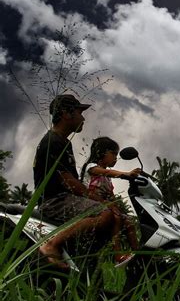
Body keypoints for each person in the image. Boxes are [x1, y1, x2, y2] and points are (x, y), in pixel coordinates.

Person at [34, 94, 116, 269]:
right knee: (104, 213)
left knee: (113, 220)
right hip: (54, 201)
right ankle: (52, 245)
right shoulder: (53, 141)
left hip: (64, 199)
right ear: (66, 113)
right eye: (79, 112)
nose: (83, 118)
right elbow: (69, 182)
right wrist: (101, 201)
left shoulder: (63, 142)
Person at [80, 136, 141, 263]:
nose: (115, 158)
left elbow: (110, 195)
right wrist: (125, 174)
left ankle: (138, 253)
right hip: (90, 202)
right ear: (102, 152)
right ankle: (117, 255)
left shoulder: (107, 178)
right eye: (113, 153)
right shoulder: (91, 166)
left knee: (128, 221)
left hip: (104, 204)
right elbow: (104, 172)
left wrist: (116, 206)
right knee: (117, 218)